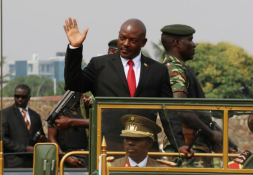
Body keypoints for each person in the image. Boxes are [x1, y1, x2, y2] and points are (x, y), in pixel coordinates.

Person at [62, 18, 193, 157]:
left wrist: (179, 144)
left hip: (146, 147)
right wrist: (74, 48)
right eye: (122, 38)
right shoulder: (99, 65)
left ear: (143, 42)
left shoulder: (158, 70)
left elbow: (168, 112)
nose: (125, 44)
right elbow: (73, 84)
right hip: (107, 148)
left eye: (133, 40)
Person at [160, 24, 222, 166]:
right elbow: (181, 109)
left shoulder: (178, 67)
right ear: (177, 43)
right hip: (189, 146)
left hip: (193, 143)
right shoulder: (175, 68)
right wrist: (211, 134)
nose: (194, 45)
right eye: (190, 40)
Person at [0, 84, 45, 168]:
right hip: (13, 163)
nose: (20, 99)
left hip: (32, 163)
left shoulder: (35, 116)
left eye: (23, 97)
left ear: (29, 97)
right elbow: (2, 139)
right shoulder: (5, 114)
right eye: (17, 96)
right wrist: (25, 149)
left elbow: (41, 135)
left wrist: (42, 139)